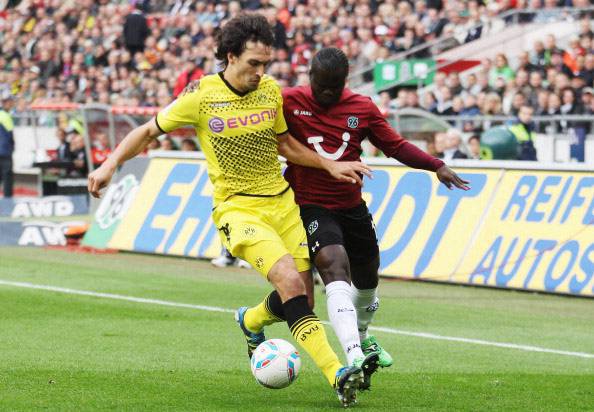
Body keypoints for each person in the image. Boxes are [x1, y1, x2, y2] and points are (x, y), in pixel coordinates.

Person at [88, 14, 375, 407]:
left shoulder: (269, 92)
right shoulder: (200, 97)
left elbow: (285, 145)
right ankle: (338, 374)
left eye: (266, 64)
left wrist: (329, 164)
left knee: (302, 299)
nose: (261, 72)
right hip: (238, 209)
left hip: (282, 204)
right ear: (230, 56)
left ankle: (251, 320)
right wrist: (110, 164)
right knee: (289, 282)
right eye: (253, 63)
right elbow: (147, 131)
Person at [277, 48, 469, 386]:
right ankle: (353, 356)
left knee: (367, 278)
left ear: (345, 81)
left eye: (334, 87)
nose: (326, 93)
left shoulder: (362, 107)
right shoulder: (289, 100)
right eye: (321, 86)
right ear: (310, 77)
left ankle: (363, 336)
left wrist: (436, 165)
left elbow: (395, 145)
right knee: (334, 266)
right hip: (310, 205)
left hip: (352, 207)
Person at [0, 95, 14, 198]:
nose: (11, 104)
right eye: (9, 102)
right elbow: (10, 135)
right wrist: (12, 147)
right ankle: (8, 200)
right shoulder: (5, 116)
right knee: (7, 176)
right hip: (4, 151)